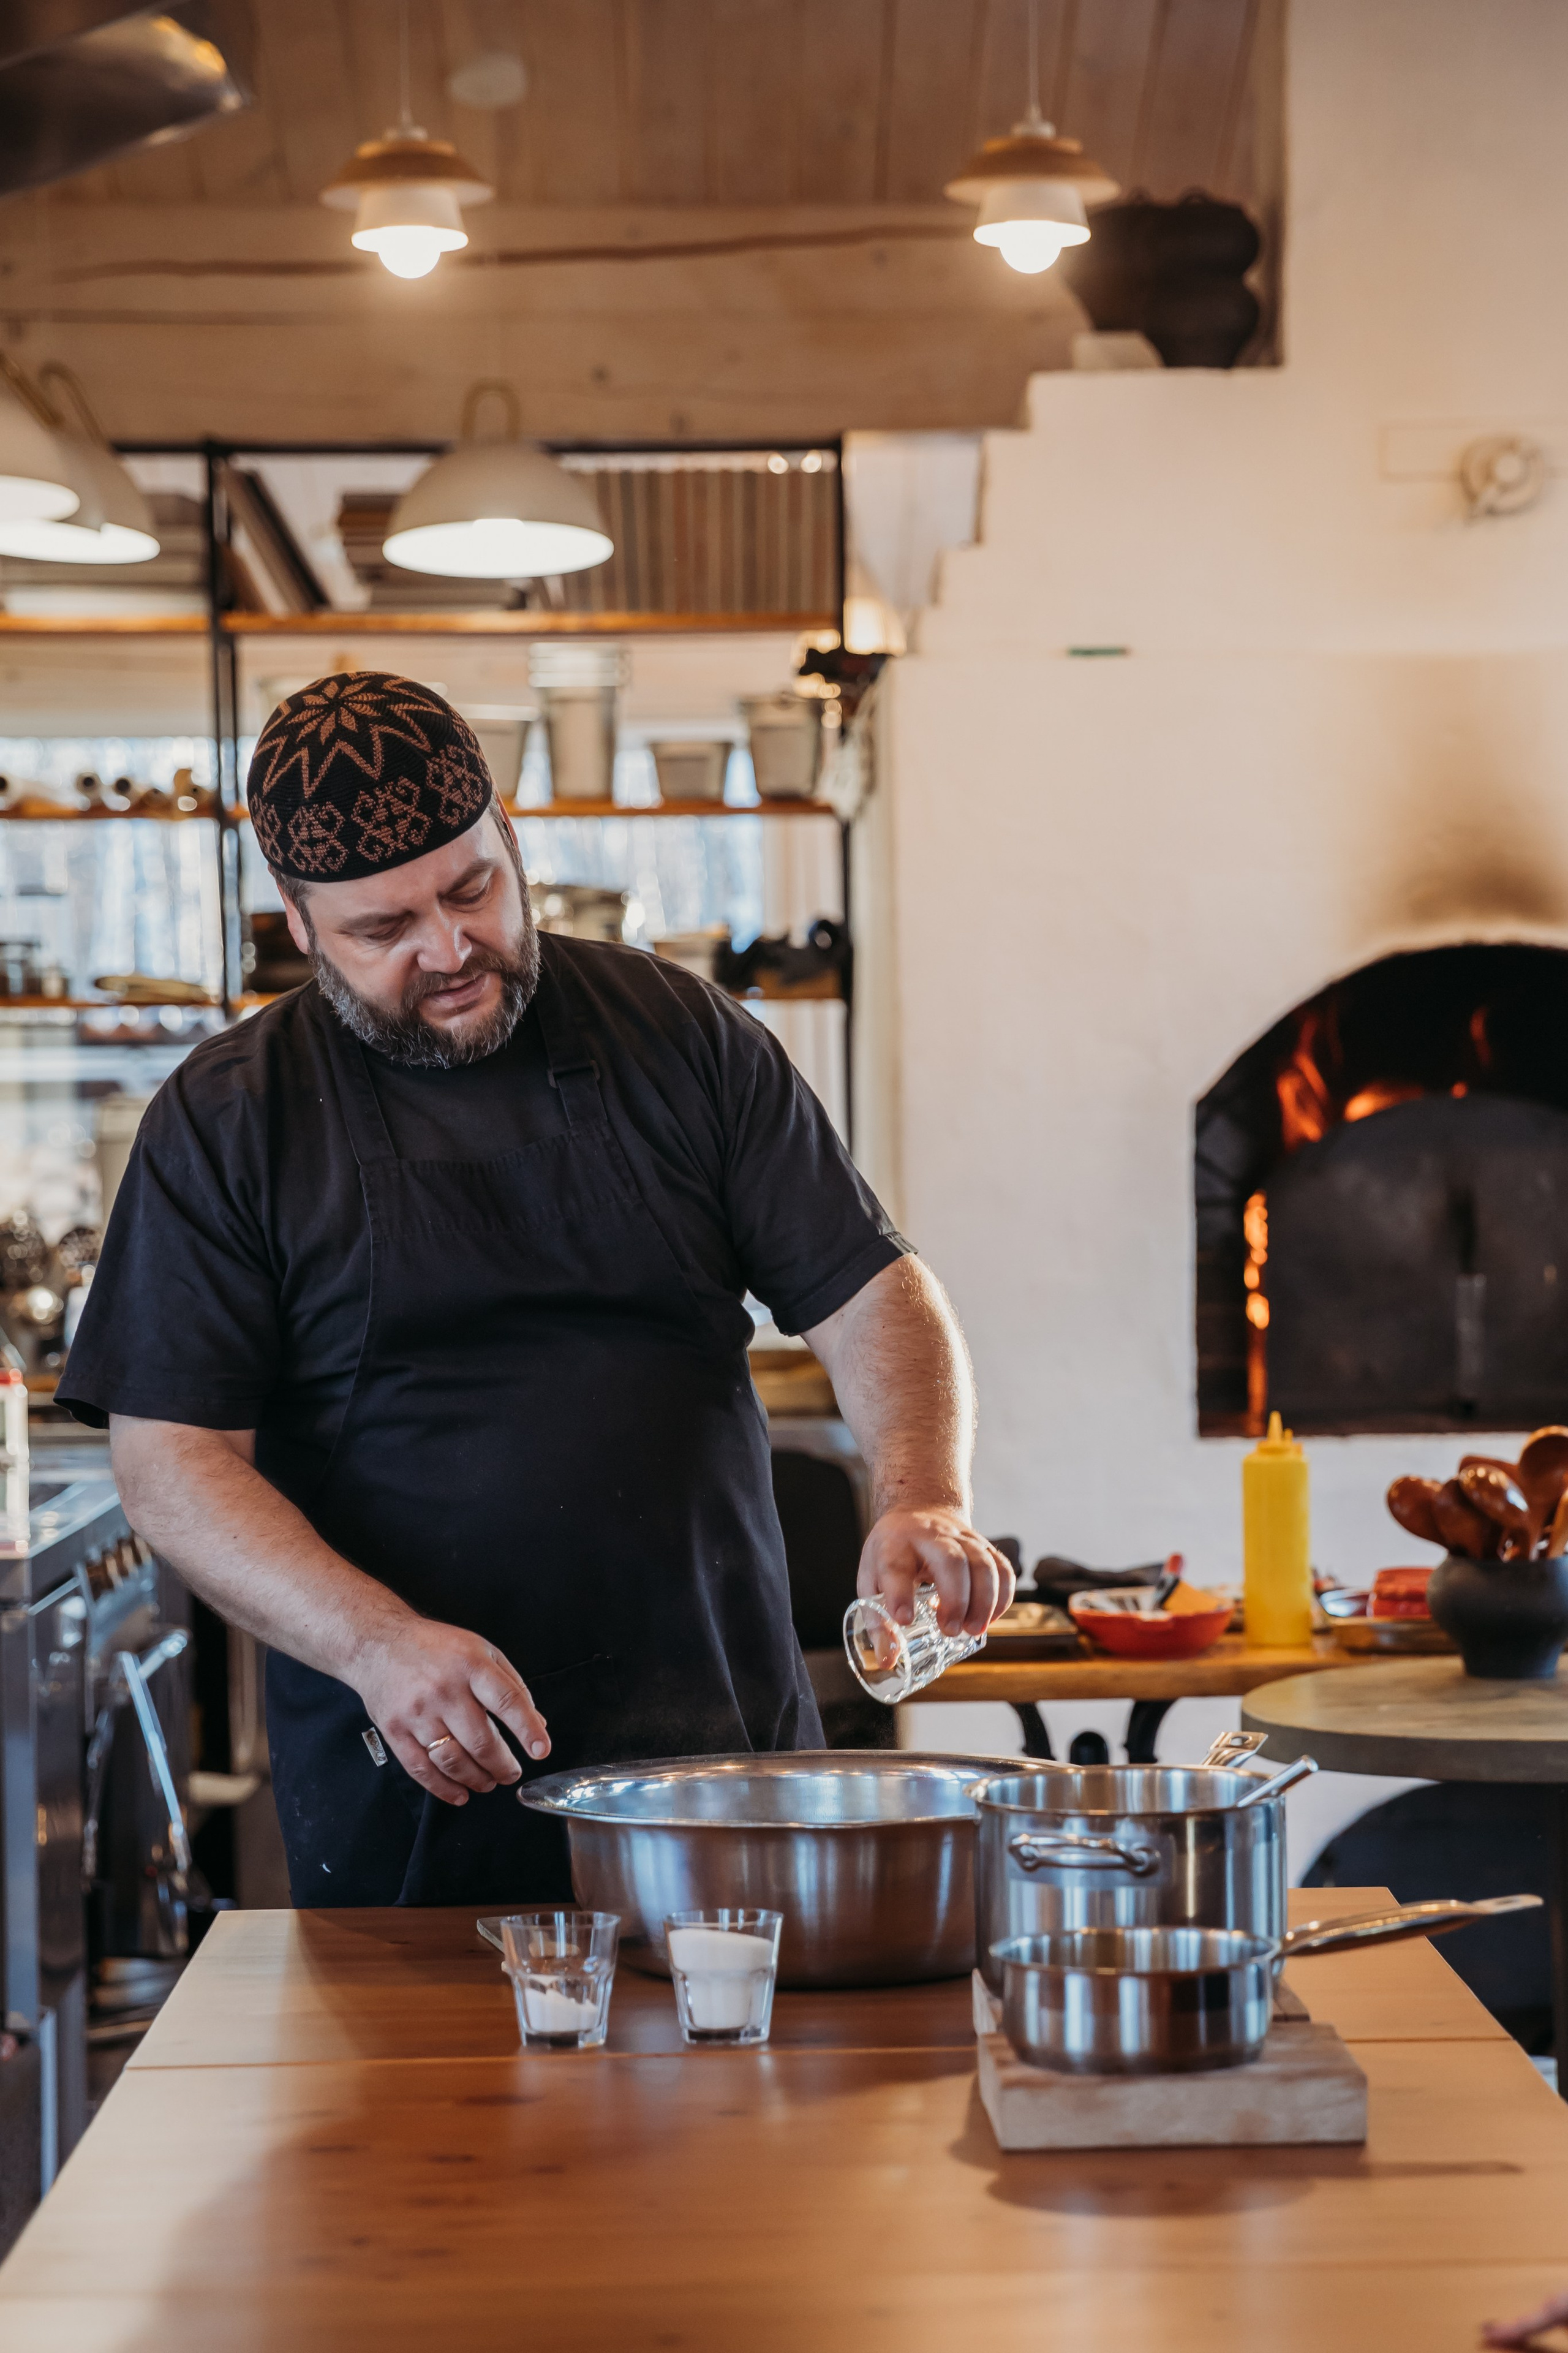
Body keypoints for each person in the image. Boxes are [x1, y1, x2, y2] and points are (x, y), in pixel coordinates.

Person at [61, 671, 1012, 1906]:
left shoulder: (683, 1037)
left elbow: (870, 1289)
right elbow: (173, 1464)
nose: (450, 951)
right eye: (382, 928)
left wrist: (923, 1495)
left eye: (472, 889)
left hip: (716, 1754)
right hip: (412, 1779)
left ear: (510, 838)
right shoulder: (229, 1121)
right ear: (299, 922)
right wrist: (375, 1643)